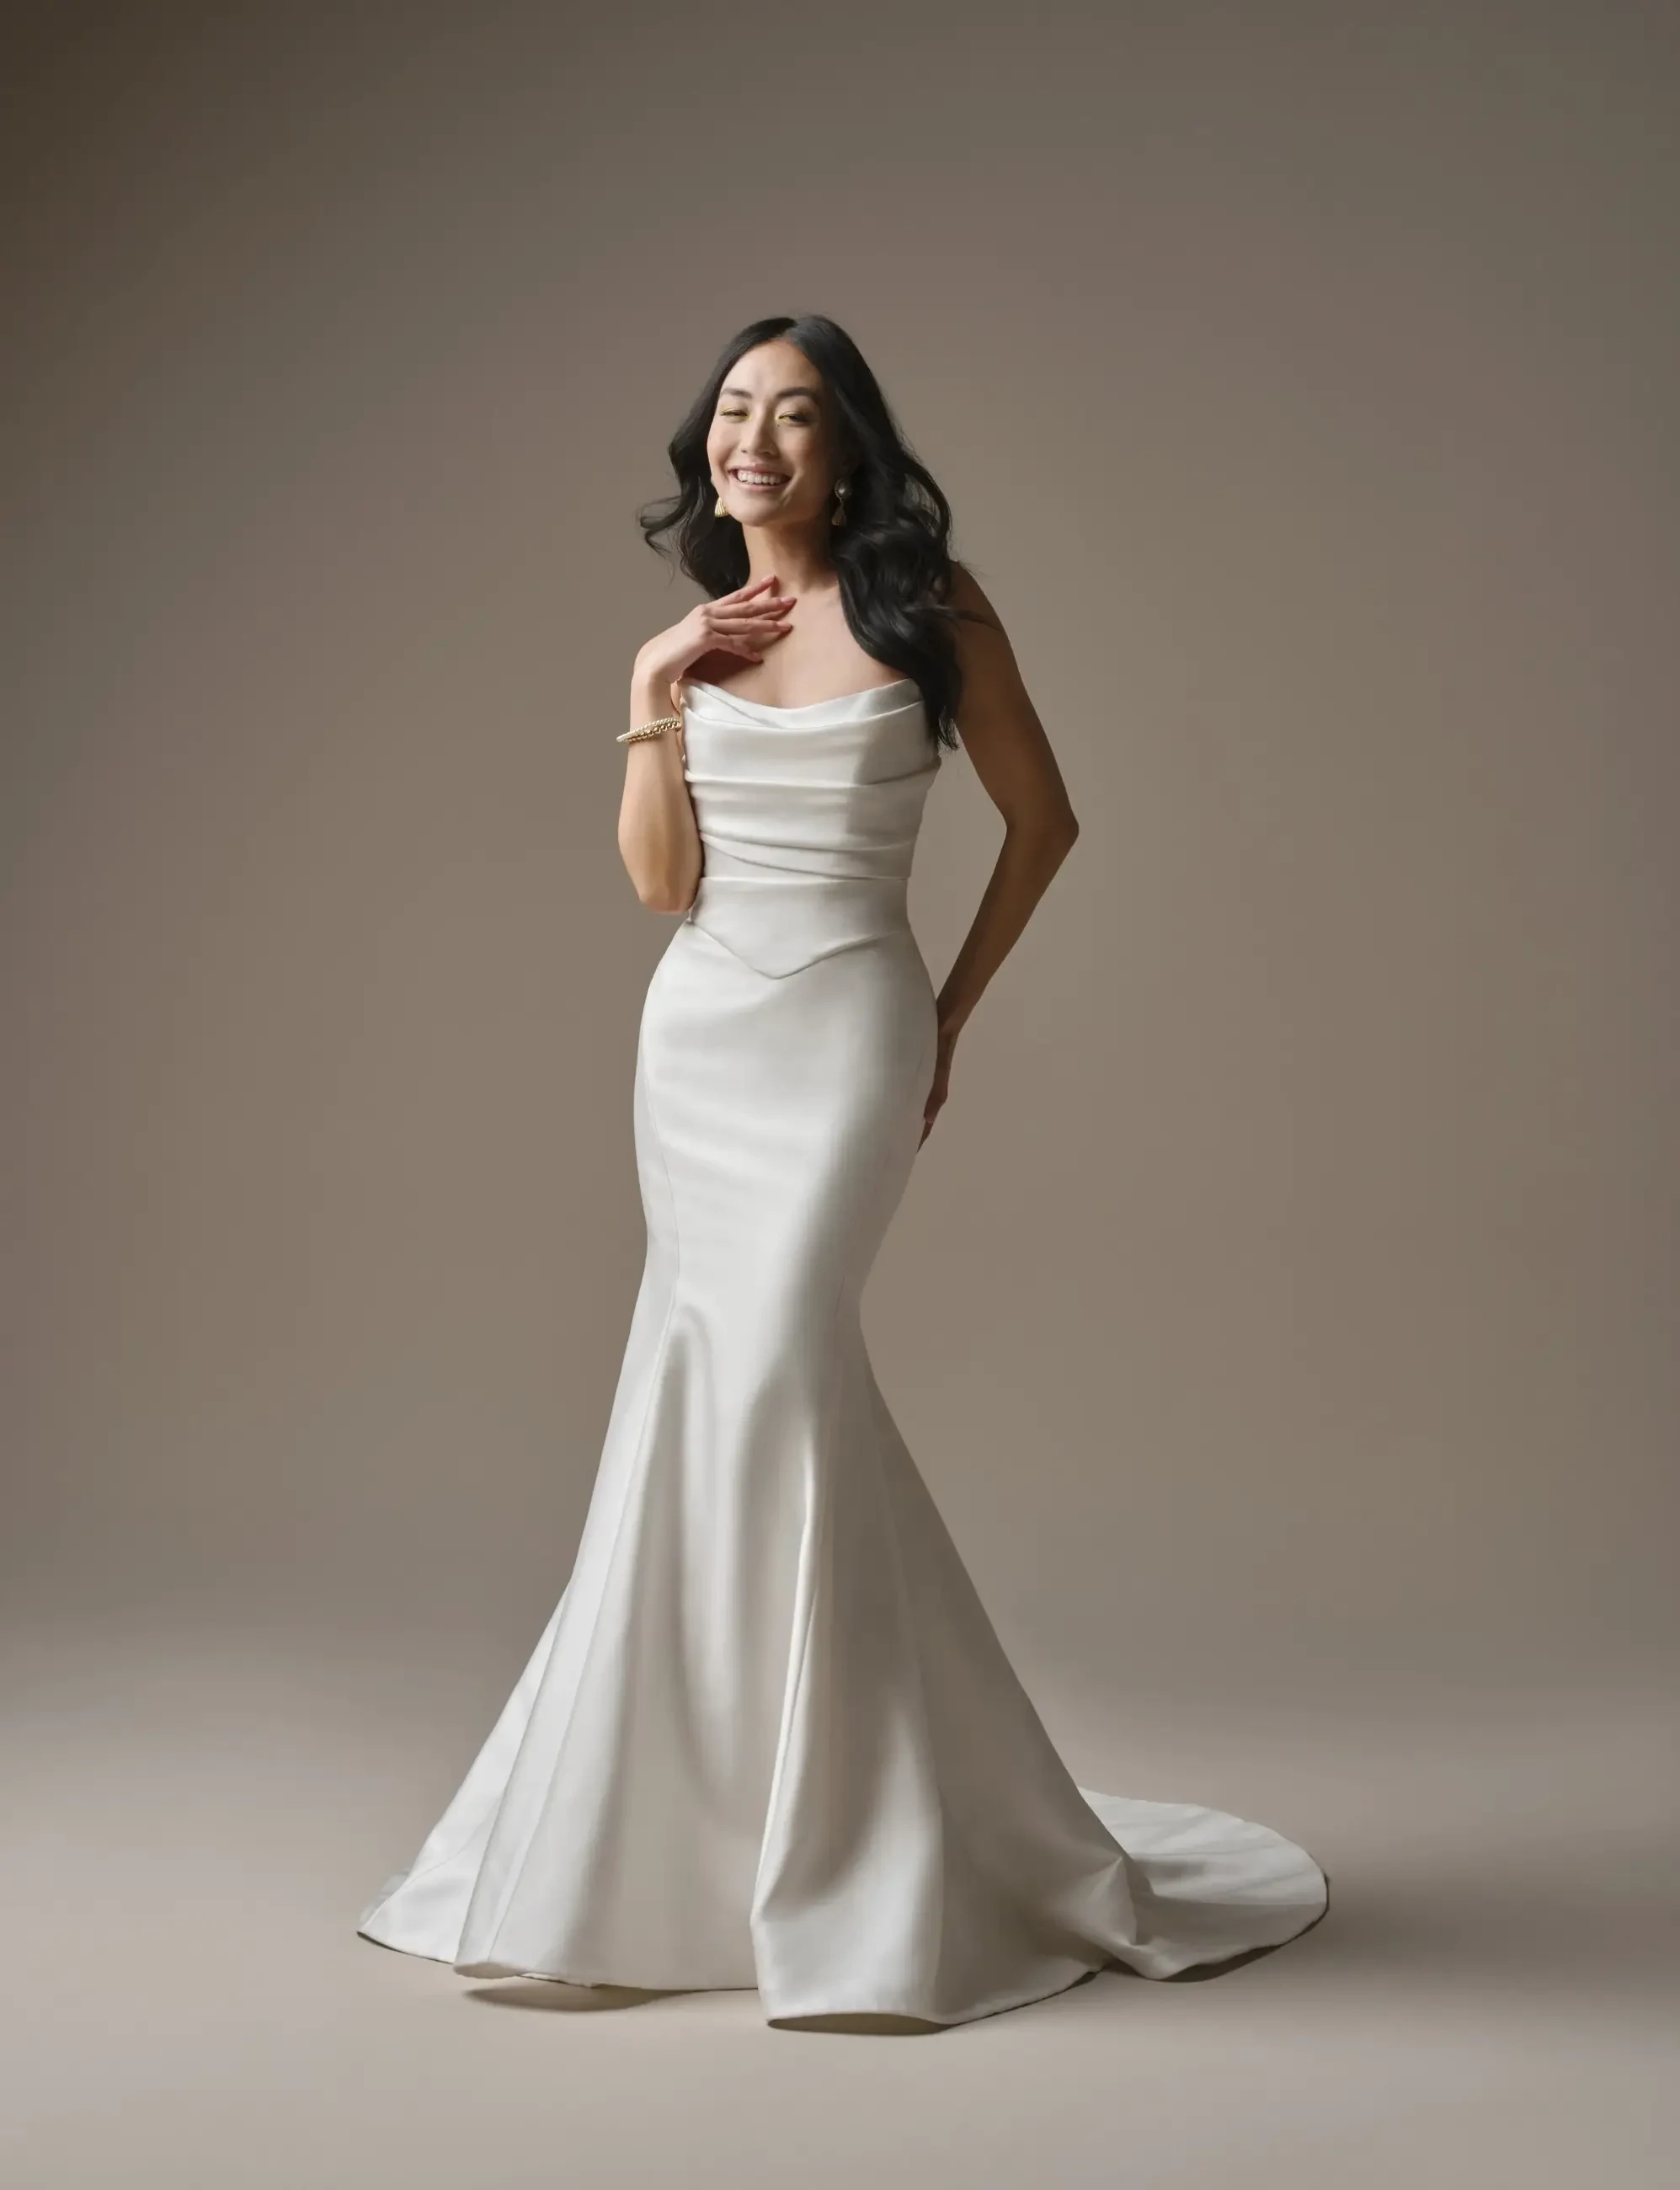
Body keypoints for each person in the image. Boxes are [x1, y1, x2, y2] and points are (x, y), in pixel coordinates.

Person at [356, 314, 1327, 2029]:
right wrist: (651, 688)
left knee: (781, 1360)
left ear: (848, 451)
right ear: (705, 446)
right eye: (734, 411)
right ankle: (678, 1834)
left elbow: (1050, 822)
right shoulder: (693, 647)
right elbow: (663, 892)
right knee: (700, 1380)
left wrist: (947, 1011)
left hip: (852, 1034)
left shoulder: (928, 610)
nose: (757, 439)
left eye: (794, 415)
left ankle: (858, 1840)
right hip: (700, 1040)